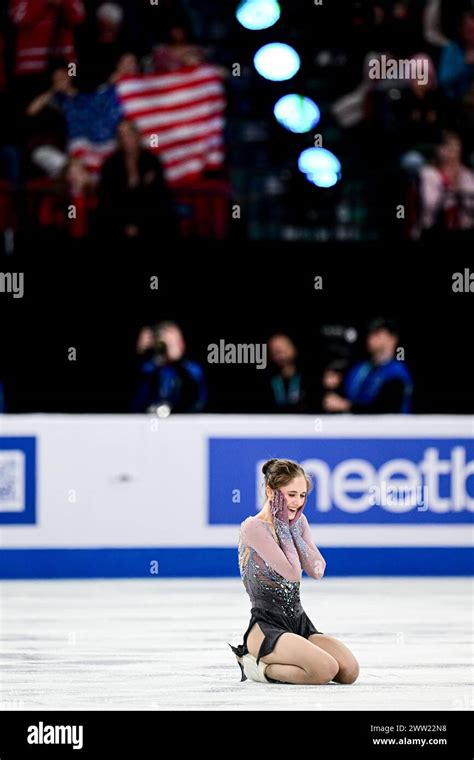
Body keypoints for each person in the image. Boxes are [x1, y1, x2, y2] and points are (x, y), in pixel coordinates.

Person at [229, 458, 359, 685]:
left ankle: (289, 655)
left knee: (349, 672)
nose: (298, 502)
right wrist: (282, 526)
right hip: (266, 627)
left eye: (303, 495)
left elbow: (317, 569)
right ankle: (258, 668)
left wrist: (292, 529)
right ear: (271, 491)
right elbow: (292, 573)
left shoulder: (298, 523)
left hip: (298, 623)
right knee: (324, 670)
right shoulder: (253, 528)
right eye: (291, 494)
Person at [323, 317, 413, 414]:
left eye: (378, 333)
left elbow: (386, 410)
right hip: (354, 426)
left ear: (392, 339)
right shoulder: (359, 369)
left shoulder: (396, 372)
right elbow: (342, 396)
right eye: (370, 333)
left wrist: (346, 406)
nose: (372, 338)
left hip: (388, 427)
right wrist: (333, 385)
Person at [132, 321, 207, 413]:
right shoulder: (147, 366)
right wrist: (140, 353)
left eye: (175, 341)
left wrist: (177, 361)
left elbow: (196, 398)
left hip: (182, 420)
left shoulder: (191, 368)